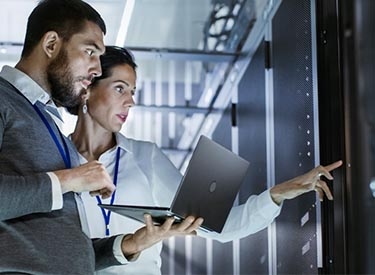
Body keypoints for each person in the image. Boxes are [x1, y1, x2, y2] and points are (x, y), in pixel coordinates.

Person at [69, 45, 343, 275]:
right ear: (88, 88)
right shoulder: (55, 159)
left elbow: (218, 228)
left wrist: (278, 194)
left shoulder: (145, 157)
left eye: (133, 92)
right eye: (120, 89)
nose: (130, 102)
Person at [0, 1, 197, 274]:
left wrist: (131, 243)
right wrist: (71, 179)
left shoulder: (48, 123)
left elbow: (62, 248)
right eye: (90, 51)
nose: (95, 68)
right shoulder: (3, 99)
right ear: (51, 44)